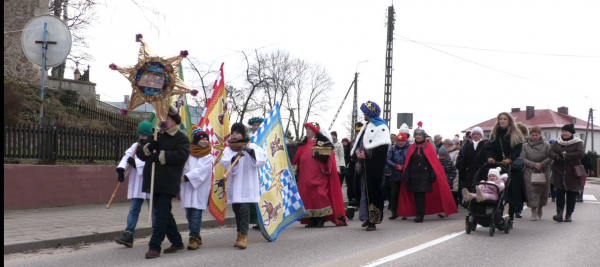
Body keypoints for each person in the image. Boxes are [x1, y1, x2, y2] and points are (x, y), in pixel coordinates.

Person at [137, 106, 190, 259]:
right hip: (153, 181)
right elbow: (141, 153)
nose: (162, 121)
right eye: (161, 118)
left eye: (165, 118)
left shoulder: (181, 138)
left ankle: (154, 246)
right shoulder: (156, 135)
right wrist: (148, 148)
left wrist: (160, 156)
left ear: (174, 120)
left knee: (160, 214)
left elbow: (181, 155)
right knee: (165, 213)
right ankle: (177, 241)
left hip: (168, 182)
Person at [397, 125, 458, 223]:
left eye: (420, 135)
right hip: (414, 175)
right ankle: (418, 212)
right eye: (416, 134)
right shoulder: (412, 147)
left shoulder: (429, 147)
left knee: (421, 195)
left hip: (425, 175)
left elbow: (433, 163)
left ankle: (420, 215)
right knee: (416, 195)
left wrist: (433, 174)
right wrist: (407, 174)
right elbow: (408, 162)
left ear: (423, 136)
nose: (418, 136)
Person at [221, 123, 267, 249]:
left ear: (243, 134)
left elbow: (262, 159)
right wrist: (234, 159)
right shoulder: (228, 149)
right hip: (235, 185)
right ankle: (239, 234)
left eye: (237, 133)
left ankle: (244, 237)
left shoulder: (252, 146)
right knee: (237, 211)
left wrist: (251, 152)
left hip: (247, 185)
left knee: (244, 210)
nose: (234, 135)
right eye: (233, 133)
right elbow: (224, 161)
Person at [292, 122, 347, 228]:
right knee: (307, 195)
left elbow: (329, 157)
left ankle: (321, 219)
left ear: (315, 131)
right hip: (304, 176)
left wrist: (321, 156)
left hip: (318, 175)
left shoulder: (322, 143)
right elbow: (297, 159)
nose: (307, 131)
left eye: (309, 129)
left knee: (319, 195)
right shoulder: (303, 144)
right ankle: (311, 219)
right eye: (306, 129)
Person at [351, 101, 391, 231]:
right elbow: (361, 143)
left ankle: (374, 220)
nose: (363, 115)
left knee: (374, 192)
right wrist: (358, 151)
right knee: (363, 191)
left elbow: (382, 148)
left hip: (374, 166)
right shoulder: (367, 126)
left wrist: (368, 155)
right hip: (365, 165)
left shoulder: (381, 127)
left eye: (365, 113)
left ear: (370, 113)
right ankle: (367, 217)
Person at [114, 121, 155, 248]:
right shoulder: (135, 146)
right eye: (140, 135)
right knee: (134, 210)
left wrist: (136, 163)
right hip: (137, 185)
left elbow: (151, 162)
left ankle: (156, 233)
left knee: (153, 211)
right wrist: (121, 170)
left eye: (144, 136)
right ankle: (128, 234)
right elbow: (127, 157)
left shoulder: (153, 146)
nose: (142, 138)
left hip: (149, 184)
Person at [484, 112, 525, 222]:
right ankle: (498, 213)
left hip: (511, 166)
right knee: (497, 189)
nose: (502, 121)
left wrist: (509, 159)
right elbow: (489, 147)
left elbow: (517, 149)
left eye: (504, 119)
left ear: (509, 121)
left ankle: (511, 215)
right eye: (500, 119)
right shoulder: (495, 133)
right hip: (498, 165)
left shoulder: (515, 134)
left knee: (512, 191)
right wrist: (490, 157)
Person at [180, 127, 213, 250]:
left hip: (199, 189)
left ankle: (193, 237)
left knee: (196, 214)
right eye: (202, 139)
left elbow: (201, 171)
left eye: (206, 139)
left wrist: (186, 178)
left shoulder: (207, 156)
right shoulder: (188, 154)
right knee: (189, 214)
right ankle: (197, 235)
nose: (205, 141)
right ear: (195, 140)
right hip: (188, 189)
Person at [549, 124, 585, 222]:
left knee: (571, 194)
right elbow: (550, 151)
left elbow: (581, 153)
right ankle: (559, 214)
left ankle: (568, 215)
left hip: (572, 172)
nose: (564, 133)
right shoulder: (558, 141)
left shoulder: (578, 142)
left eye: (566, 131)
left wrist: (566, 156)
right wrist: (556, 157)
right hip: (559, 171)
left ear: (571, 133)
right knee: (560, 193)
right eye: (563, 131)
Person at [521, 126, 552, 221]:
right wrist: (533, 164)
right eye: (532, 135)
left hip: (543, 171)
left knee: (543, 191)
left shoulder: (546, 145)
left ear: (540, 135)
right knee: (531, 191)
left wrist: (542, 164)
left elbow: (550, 157)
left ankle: (540, 207)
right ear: (530, 135)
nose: (534, 137)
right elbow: (522, 158)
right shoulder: (525, 146)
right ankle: (533, 210)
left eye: (536, 135)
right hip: (530, 171)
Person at [455, 127, 487, 206]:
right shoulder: (468, 147)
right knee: (470, 188)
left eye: (477, 134)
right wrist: (462, 170)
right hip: (469, 172)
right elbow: (464, 159)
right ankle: (471, 204)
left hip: (481, 171)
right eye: (474, 134)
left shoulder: (485, 145)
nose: (475, 136)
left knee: (480, 188)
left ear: (481, 135)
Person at [386, 133, 410, 220]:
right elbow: (388, 159)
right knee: (394, 194)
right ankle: (394, 212)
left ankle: (405, 212)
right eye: (399, 141)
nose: (400, 143)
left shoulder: (410, 148)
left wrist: (405, 166)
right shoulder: (393, 149)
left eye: (402, 141)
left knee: (405, 194)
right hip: (395, 174)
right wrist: (395, 166)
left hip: (406, 175)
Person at [247, 117, 265, 231]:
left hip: (262, 168)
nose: (256, 127)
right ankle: (255, 220)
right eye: (254, 125)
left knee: (262, 195)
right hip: (251, 168)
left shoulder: (264, 136)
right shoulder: (248, 138)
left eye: (258, 125)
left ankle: (262, 221)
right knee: (252, 197)